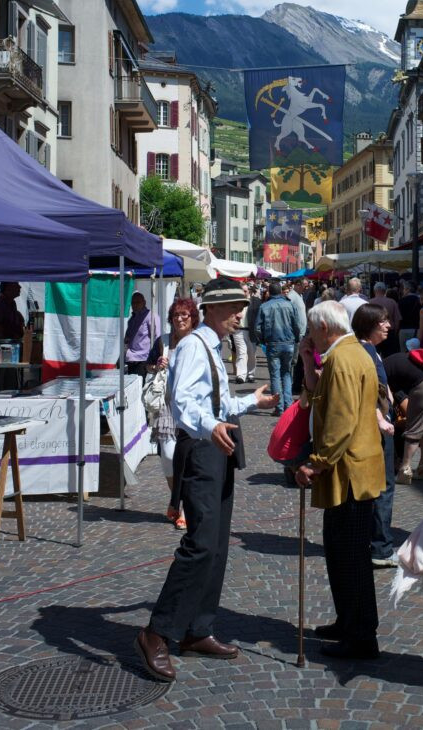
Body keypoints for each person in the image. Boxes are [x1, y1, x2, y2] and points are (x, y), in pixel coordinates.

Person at [135, 277, 278, 682]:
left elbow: (217, 401)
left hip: (217, 447)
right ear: (211, 309)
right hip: (201, 450)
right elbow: (181, 402)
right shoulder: (195, 347)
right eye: (233, 307)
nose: (239, 315)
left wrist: (252, 401)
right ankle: (156, 632)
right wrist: (210, 424)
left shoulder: (211, 347)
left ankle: (197, 629)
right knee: (199, 544)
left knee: (215, 545)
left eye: (240, 307)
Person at [296, 301, 385, 659]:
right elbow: (320, 396)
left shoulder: (344, 358)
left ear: (323, 328)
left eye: (311, 331)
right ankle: (348, 620)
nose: (310, 337)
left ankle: (361, 634)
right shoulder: (346, 353)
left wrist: (316, 462)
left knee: (350, 556)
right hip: (349, 470)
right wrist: (307, 362)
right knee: (339, 550)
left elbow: (341, 420)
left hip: (349, 473)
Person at [352, 303, 398, 569]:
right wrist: (380, 418)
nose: (388, 325)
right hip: (378, 429)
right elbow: (365, 392)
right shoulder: (365, 353)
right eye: (383, 321)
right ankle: (380, 548)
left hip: (381, 424)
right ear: (369, 324)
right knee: (383, 487)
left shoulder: (370, 351)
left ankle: (373, 542)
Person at [147, 297, 200, 530]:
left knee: (189, 459)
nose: (180, 319)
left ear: (192, 318)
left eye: (184, 315)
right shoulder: (163, 341)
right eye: (176, 315)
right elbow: (147, 365)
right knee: (169, 457)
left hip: (192, 406)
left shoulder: (199, 341)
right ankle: (175, 499)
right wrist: (157, 364)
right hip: (167, 406)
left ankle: (185, 509)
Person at [384, 348, 423, 484]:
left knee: (414, 429)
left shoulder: (381, 374)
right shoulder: (391, 363)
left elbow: (394, 400)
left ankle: (404, 470)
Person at [256, 280, 300, 415]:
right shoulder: (289, 305)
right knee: (286, 373)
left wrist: (263, 340)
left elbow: (258, 328)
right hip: (288, 343)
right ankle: (287, 405)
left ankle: (279, 407)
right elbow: (296, 325)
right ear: (281, 292)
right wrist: (296, 339)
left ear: (269, 292)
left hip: (273, 343)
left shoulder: (264, 306)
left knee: (275, 375)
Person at [125, 292, 160, 379]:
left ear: (144, 302)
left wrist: (154, 358)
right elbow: (128, 337)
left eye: (138, 302)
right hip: (131, 359)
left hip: (143, 360)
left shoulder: (151, 316)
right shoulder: (132, 319)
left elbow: (157, 337)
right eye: (133, 303)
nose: (135, 305)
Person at [370, 282, 401, 356]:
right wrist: (395, 332)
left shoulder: (369, 302)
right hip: (389, 332)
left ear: (374, 291)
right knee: (389, 357)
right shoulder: (392, 302)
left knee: (374, 357)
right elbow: (397, 319)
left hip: (374, 333)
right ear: (385, 291)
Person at [398, 280, 421, 351]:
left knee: (403, 351)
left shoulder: (401, 301)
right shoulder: (420, 300)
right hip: (416, 329)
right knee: (416, 352)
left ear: (407, 289)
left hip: (403, 329)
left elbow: (399, 317)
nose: (403, 291)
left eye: (404, 289)